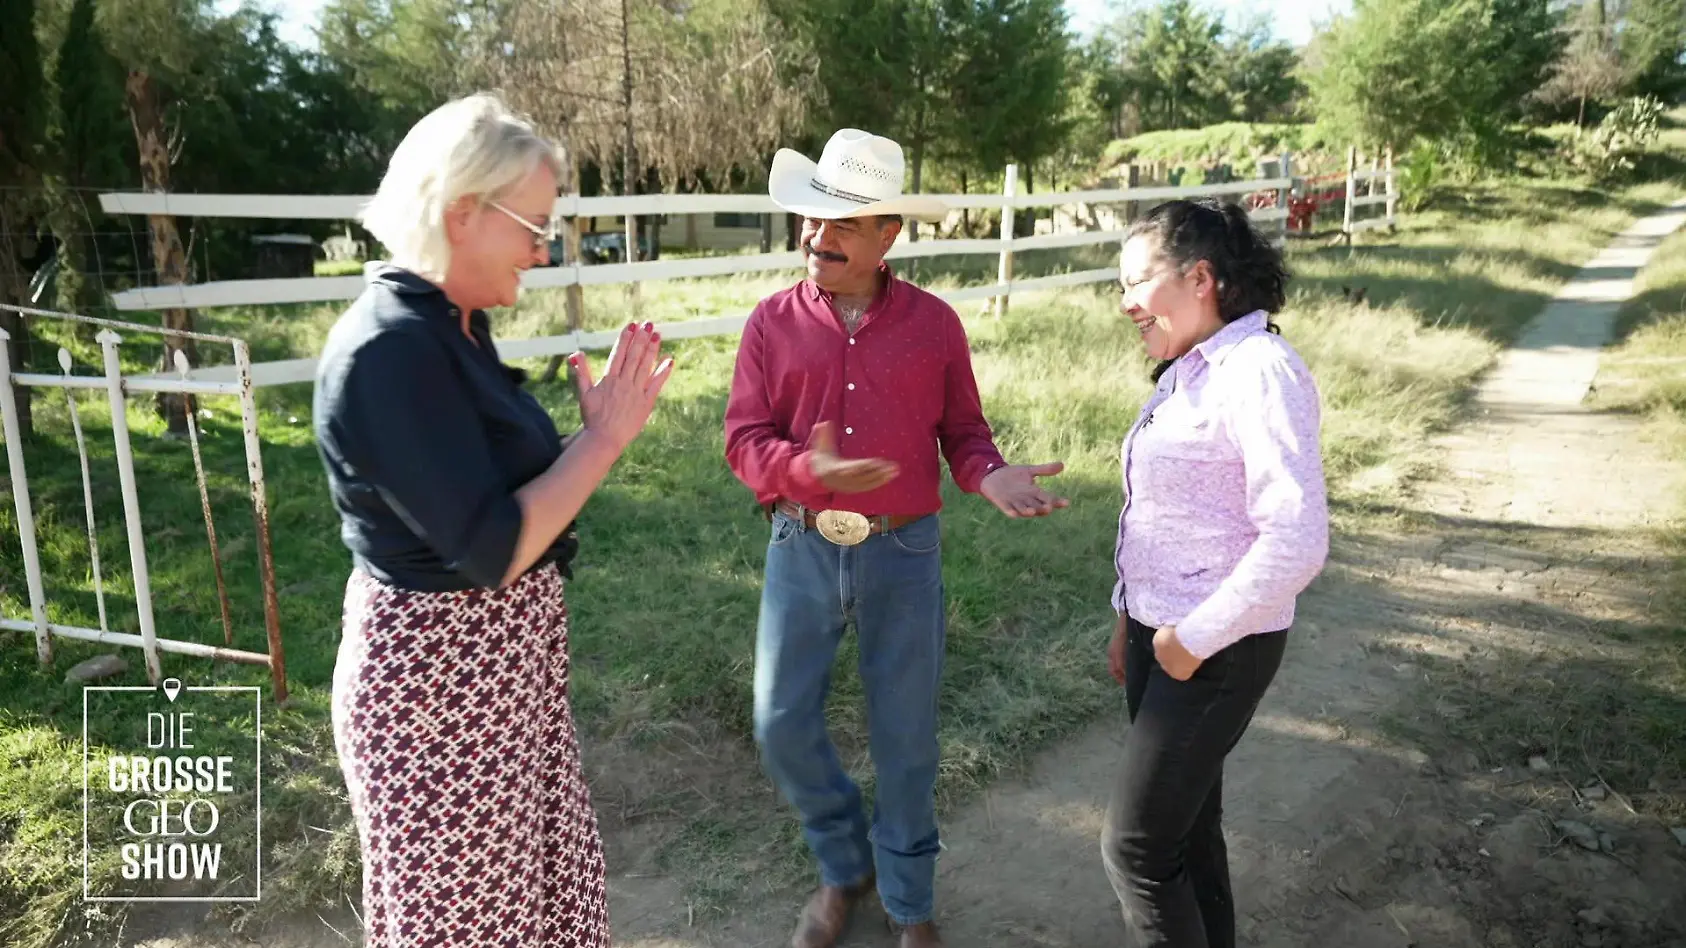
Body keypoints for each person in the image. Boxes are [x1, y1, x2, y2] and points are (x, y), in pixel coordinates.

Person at [312, 93, 673, 948]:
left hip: (499, 689)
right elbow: (493, 549)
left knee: (539, 914)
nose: (543, 249)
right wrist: (604, 440)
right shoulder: (387, 353)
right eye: (533, 224)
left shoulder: (451, 326)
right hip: (438, 706)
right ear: (463, 211)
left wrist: (588, 440)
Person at [724, 128, 1069, 948]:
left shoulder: (936, 326)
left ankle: (910, 904)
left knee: (906, 739)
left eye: (845, 224)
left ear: (890, 237)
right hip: (799, 548)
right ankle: (846, 866)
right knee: (778, 722)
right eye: (814, 221)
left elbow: (965, 434)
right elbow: (744, 442)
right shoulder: (771, 324)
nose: (820, 238)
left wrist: (989, 476)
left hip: (905, 553)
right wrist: (808, 474)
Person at [1099, 198, 1329, 948]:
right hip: (1161, 633)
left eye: (1138, 281)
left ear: (1200, 277)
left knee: (1135, 847)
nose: (1125, 302)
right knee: (1187, 834)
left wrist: (1189, 640)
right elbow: (1164, 512)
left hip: (1213, 646)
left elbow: (1296, 538)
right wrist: (1127, 617)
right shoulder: (1190, 369)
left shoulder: (1258, 368)